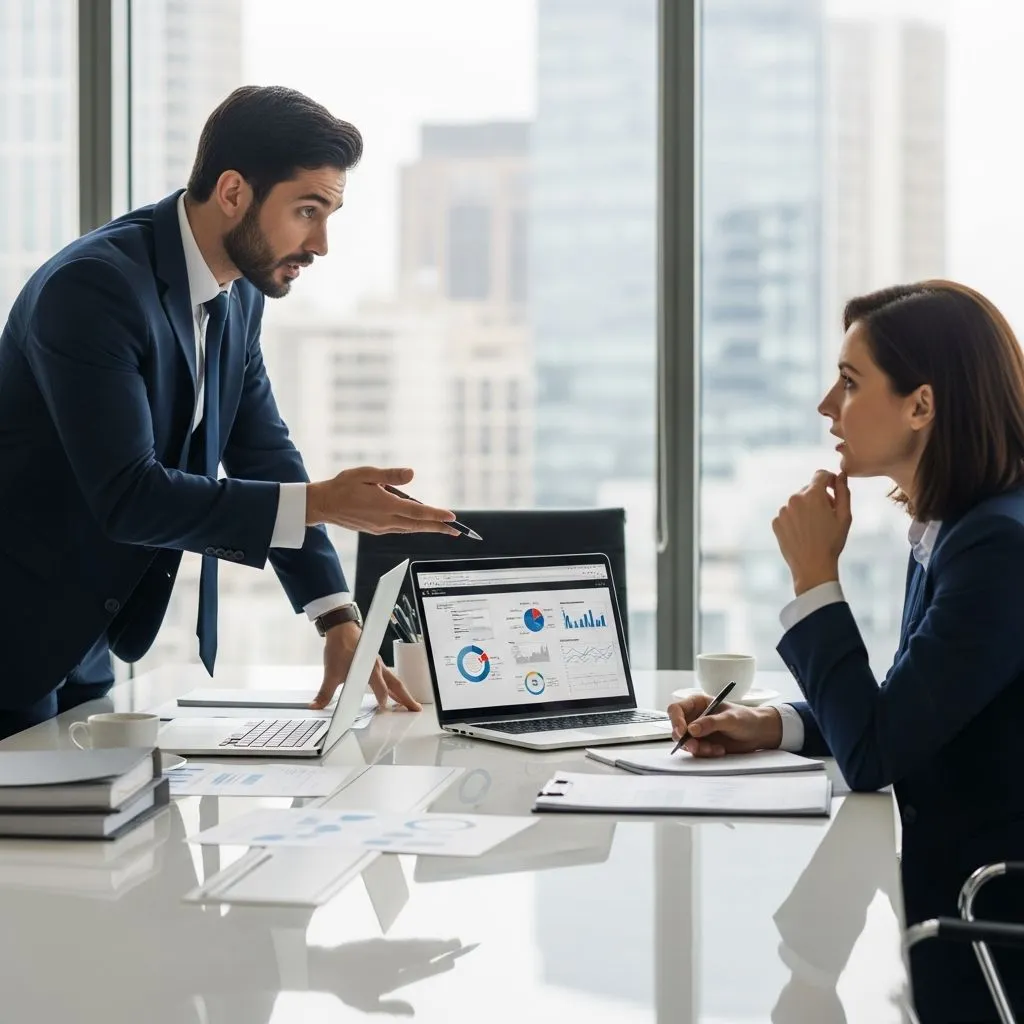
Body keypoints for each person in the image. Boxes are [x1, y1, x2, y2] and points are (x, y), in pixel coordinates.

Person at [0, 85, 460, 740]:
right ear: (235, 192)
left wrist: (335, 614)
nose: (322, 243)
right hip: (13, 635)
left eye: (329, 215)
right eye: (307, 211)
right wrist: (322, 502)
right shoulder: (95, 289)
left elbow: (262, 448)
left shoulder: (238, 295)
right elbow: (129, 497)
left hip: (81, 638)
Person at [669, 280, 1024, 1023]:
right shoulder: (956, 529)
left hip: (984, 919)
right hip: (953, 896)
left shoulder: (998, 544)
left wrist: (813, 577)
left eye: (851, 382)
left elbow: (876, 751)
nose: (827, 406)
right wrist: (775, 724)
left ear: (921, 406)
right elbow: (910, 706)